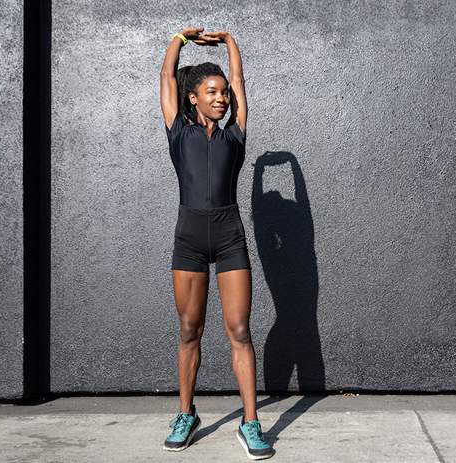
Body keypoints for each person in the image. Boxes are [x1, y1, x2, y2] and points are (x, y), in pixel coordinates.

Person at [159, 26, 275, 460]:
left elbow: (241, 83)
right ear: (194, 97)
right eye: (212, 91)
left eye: (224, 92)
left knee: (240, 331)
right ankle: (186, 414)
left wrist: (230, 43)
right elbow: (167, 75)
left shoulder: (235, 136)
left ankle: (250, 423)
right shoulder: (177, 132)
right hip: (188, 239)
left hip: (229, 238)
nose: (222, 97)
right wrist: (180, 39)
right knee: (190, 331)